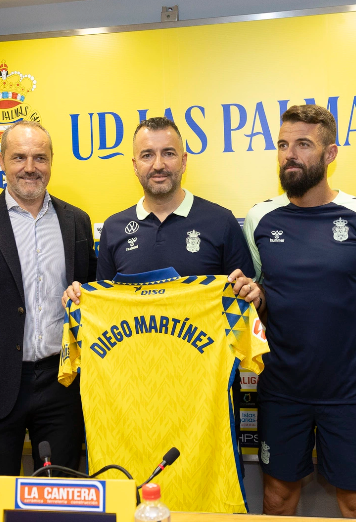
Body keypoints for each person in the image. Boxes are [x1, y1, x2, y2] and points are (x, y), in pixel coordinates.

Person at [62, 116, 261, 466]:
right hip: (131, 403)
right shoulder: (113, 227)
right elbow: (106, 303)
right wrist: (80, 301)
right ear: (134, 164)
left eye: (169, 153)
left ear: (184, 161)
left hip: (203, 401)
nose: (158, 164)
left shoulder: (220, 221)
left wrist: (251, 293)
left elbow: (248, 300)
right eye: (148, 155)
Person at [243, 104, 356, 518]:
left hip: (347, 392)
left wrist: (355, 339)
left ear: (330, 154)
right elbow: (254, 291)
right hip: (281, 388)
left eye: (303, 145)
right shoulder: (260, 218)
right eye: (282, 144)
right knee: (277, 499)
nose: (289, 154)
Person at [0, 120, 96, 500]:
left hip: (63, 387)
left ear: (52, 161)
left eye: (40, 157)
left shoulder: (76, 221)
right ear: (2, 161)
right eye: (20, 157)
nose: (30, 167)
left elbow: (90, 303)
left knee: (61, 502)